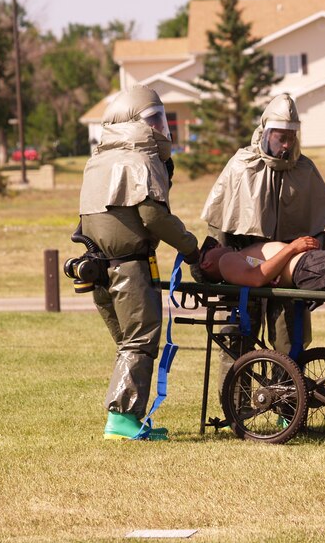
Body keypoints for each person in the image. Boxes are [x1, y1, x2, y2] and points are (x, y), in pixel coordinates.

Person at [78, 85, 200, 441]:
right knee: (140, 341)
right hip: (129, 268)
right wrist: (191, 248)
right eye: (153, 120)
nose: (162, 127)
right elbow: (153, 217)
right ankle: (123, 422)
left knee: (128, 343)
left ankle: (127, 418)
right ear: (133, 123)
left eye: (161, 119)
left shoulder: (98, 160)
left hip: (98, 266)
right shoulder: (140, 160)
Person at [199, 94, 325, 384]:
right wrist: (219, 273)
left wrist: (317, 276)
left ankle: (287, 407)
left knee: (290, 342)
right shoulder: (241, 166)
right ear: (265, 133)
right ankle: (236, 408)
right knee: (237, 339)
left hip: (289, 274)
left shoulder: (305, 171)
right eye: (279, 137)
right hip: (243, 273)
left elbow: (323, 226)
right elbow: (219, 224)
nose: (285, 144)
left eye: (290, 137)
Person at [193, 235, 325, 292]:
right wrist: (292, 247)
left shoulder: (233, 259)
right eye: (210, 247)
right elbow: (256, 278)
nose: (217, 243)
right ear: (206, 264)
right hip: (310, 267)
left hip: (312, 265)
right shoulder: (226, 261)